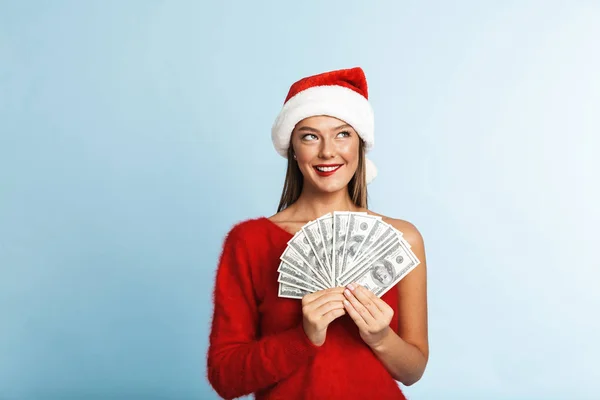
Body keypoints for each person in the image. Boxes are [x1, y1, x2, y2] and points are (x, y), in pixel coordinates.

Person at [206, 67, 429, 400]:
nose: (327, 151)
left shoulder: (402, 238)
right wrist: (303, 337)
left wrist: (381, 337)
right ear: (292, 148)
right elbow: (225, 377)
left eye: (342, 134)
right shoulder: (249, 241)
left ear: (360, 144)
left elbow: (413, 370)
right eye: (310, 136)